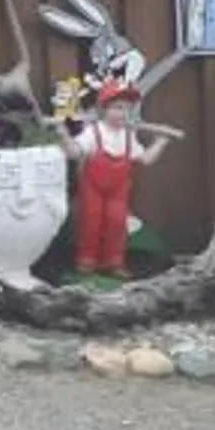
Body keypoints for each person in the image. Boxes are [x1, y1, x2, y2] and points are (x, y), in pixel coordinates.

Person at [61, 75, 171, 279]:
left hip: (118, 190)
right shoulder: (93, 132)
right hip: (93, 188)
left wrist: (161, 142)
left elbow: (145, 159)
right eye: (118, 107)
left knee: (116, 222)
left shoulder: (129, 136)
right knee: (91, 221)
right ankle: (86, 261)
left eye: (128, 109)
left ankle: (113, 262)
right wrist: (64, 136)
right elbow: (73, 153)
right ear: (104, 109)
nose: (123, 113)